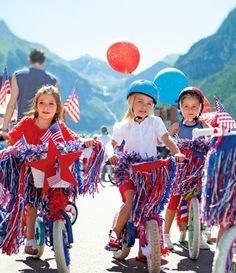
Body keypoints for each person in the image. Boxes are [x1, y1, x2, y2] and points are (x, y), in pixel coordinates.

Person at [5, 85, 94, 255]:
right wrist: (12, 148)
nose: (46, 108)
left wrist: (87, 140)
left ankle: (57, 223)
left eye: (51, 104)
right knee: (31, 201)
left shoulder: (58, 127)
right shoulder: (27, 122)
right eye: (42, 103)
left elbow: (74, 138)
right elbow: (13, 138)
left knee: (59, 196)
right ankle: (30, 237)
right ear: (36, 105)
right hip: (32, 170)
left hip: (54, 172)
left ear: (57, 108)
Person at [105, 79, 185, 256]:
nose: (144, 106)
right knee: (131, 200)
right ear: (131, 102)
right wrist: (111, 154)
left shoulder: (155, 122)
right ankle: (115, 233)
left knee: (150, 207)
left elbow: (167, 139)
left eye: (149, 103)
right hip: (128, 170)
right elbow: (111, 144)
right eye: (140, 101)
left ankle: (147, 251)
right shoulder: (123, 126)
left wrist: (177, 153)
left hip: (150, 171)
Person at [163, 86, 210, 250]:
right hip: (181, 168)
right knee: (174, 198)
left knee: (200, 200)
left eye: (194, 106)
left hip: (198, 169)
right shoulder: (177, 126)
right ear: (180, 108)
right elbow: (166, 139)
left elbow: (211, 140)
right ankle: (165, 234)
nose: (190, 110)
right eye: (186, 106)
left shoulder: (203, 125)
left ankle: (199, 233)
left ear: (200, 108)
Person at [2, 48, 59, 133]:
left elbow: (12, 104)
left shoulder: (18, 75)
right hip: (45, 126)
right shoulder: (53, 80)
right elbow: (56, 107)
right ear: (43, 62)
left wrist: (4, 129)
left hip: (22, 124)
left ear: (30, 60)